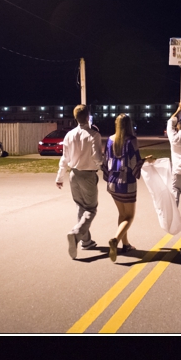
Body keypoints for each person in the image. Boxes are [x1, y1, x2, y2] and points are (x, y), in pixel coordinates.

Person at [102, 113, 152, 262]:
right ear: (129, 125)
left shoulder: (110, 140)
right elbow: (134, 163)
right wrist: (146, 160)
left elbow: (105, 161)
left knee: (122, 214)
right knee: (129, 216)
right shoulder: (132, 141)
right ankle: (115, 240)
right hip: (127, 183)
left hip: (112, 182)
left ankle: (126, 244)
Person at [56, 105, 103, 259]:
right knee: (91, 209)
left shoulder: (69, 135)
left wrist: (59, 177)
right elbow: (97, 158)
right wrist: (102, 166)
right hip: (87, 175)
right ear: (88, 116)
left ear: (75, 117)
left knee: (81, 207)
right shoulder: (93, 135)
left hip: (73, 174)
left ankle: (86, 241)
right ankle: (76, 234)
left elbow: (65, 158)